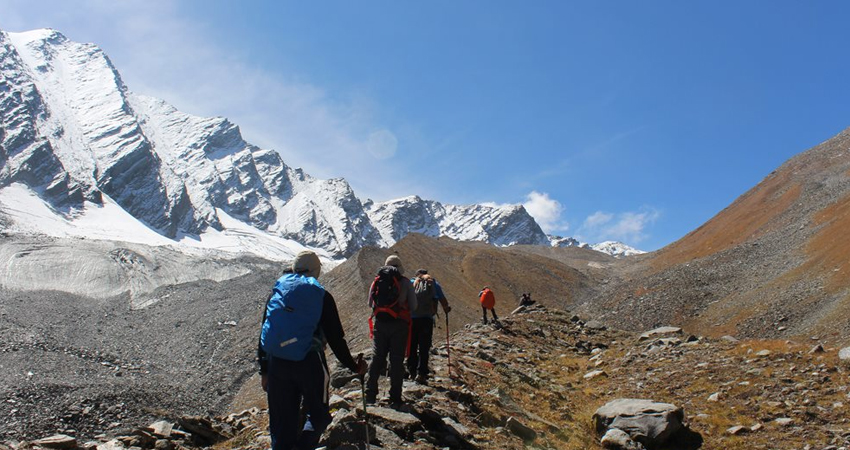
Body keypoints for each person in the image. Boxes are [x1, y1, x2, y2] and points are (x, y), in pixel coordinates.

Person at [258, 251, 367, 450]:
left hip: (277, 364)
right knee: (319, 416)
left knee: (282, 424)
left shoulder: (278, 291)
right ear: (316, 271)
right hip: (309, 363)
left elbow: (265, 331)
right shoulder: (321, 296)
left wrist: (264, 370)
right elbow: (336, 338)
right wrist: (353, 366)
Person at [365, 254, 417, 407]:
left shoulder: (377, 281)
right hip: (399, 326)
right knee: (396, 360)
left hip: (380, 324)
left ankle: (370, 394)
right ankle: (395, 396)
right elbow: (414, 306)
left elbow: (370, 303)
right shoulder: (406, 283)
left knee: (377, 358)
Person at [406, 269, 451, 384]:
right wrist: (446, 309)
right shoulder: (433, 283)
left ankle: (412, 372)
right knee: (424, 346)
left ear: (417, 275)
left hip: (411, 319)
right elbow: (442, 300)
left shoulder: (411, 282)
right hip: (427, 319)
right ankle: (422, 373)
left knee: (412, 345)